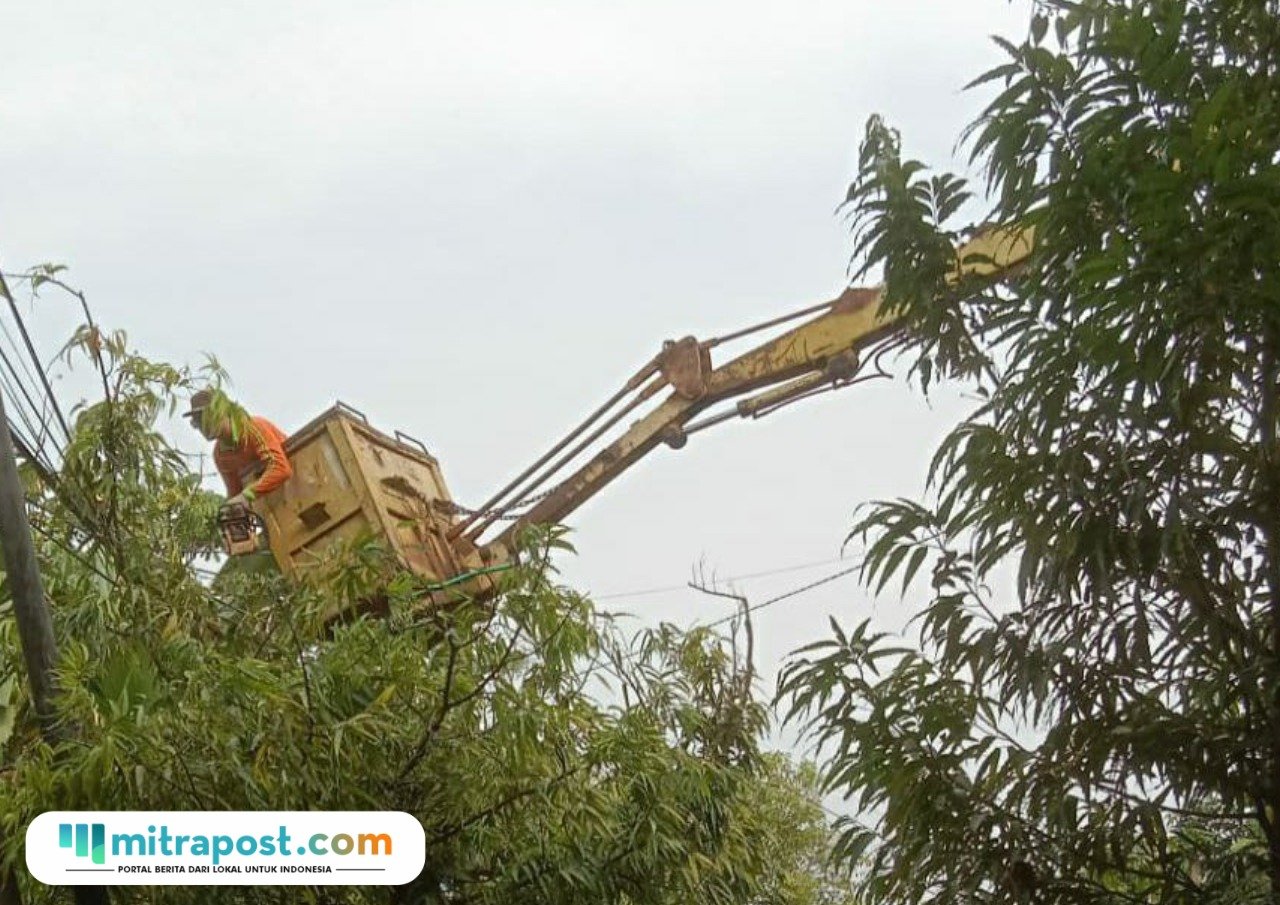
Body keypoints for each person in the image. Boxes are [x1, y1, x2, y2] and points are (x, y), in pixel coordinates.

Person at [184, 389, 294, 507]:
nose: (202, 425)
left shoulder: (252, 428)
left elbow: (281, 469)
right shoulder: (220, 455)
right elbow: (235, 493)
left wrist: (247, 495)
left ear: (223, 412)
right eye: (196, 421)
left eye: (205, 417)